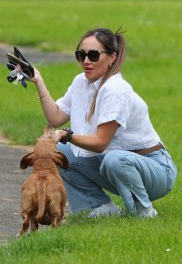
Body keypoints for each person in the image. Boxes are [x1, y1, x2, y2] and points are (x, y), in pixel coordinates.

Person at [31, 27, 177, 218]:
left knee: (115, 159)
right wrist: (38, 81)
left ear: (112, 58)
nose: (86, 61)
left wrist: (67, 135)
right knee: (57, 153)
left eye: (93, 55)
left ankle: (144, 212)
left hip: (155, 170)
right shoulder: (81, 82)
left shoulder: (115, 89)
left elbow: (100, 143)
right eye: (81, 55)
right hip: (115, 165)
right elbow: (56, 117)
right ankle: (99, 208)